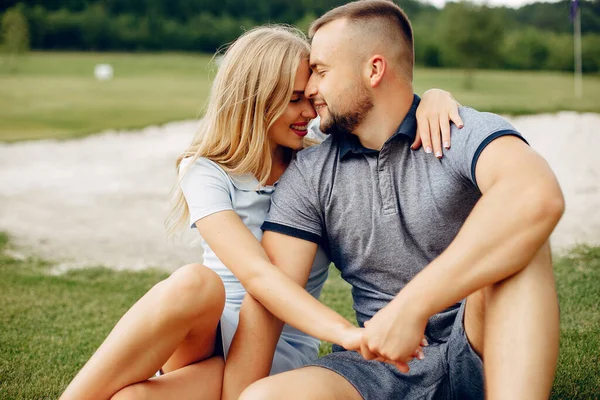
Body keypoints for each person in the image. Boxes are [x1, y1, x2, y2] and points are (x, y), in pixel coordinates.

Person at [60, 25, 462, 400]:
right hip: (208, 333)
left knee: (131, 398)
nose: (308, 111)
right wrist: (346, 333)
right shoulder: (205, 170)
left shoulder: (317, 158)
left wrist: (433, 98)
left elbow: (384, 109)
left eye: (309, 96)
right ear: (255, 98)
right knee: (194, 282)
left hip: (279, 346)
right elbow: (258, 274)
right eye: (293, 100)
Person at [230, 2, 564, 400]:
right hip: (375, 364)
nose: (311, 88)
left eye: (320, 71)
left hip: (478, 349)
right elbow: (271, 296)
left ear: (374, 69)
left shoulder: (459, 128)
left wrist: (412, 306)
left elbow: (535, 194)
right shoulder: (310, 171)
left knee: (524, 239)